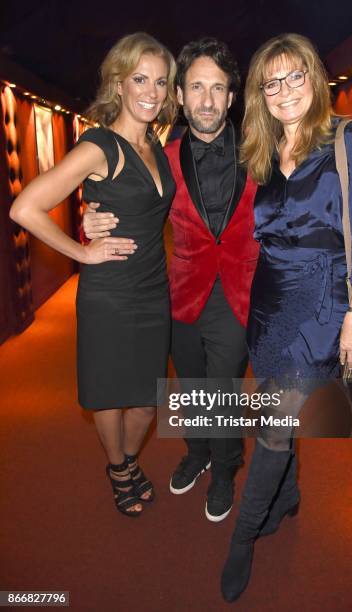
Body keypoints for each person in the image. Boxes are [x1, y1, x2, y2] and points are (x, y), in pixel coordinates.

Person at [220, 33, 352, 601]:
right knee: (269, 406)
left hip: (322, 306)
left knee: (272, 424)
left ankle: (243, 536)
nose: (286, 90)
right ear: (261, 95)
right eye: (273, 82)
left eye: (296, 77)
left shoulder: (348, 140)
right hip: (270, 304)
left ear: (314, 80)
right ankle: (287, 496)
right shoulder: (263, 154)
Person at [83, 38, 259, 522]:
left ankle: (224, 469)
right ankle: (197, 451)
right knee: (188, 385)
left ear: (231, 97)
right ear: (179, 96)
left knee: (222, 389)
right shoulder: (162, 154)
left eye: (218, 88)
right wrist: (90, 215)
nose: (206, 100)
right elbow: (125, 196)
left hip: (237, 295)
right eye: (196, 87)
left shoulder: (259, 150)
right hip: (179, 291)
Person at [9, 32, 178, 517]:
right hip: (110, 293)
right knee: (109, 394)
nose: (151, 90)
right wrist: (80, 253)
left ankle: (126, 458)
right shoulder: (99, 146)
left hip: (152, 289)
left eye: (161, 82)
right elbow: (26, 207)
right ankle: (119, 468)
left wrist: (92, 213)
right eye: (140, 79)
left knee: (147, 401)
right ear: (119, 84)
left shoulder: (154, 144)